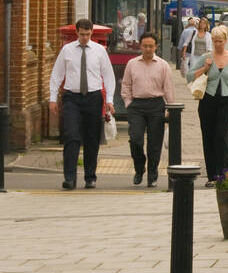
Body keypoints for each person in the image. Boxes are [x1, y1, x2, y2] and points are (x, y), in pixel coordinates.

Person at [49, 18, 115, 189]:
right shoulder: (67, 50)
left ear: (91, 32)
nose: (84, 37)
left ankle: (90, 177)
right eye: (81, 34)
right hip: (72, 97)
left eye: (87, 34)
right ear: (77, 33)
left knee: (92, 138)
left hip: (93, 97)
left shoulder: (100, 51)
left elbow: (108, 76)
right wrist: (52, 98)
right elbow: (57, 75)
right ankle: (70, 178)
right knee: (71, 136)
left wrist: (109, 100)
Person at [187, 24, 228, 186]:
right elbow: (189, 76)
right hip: (207, 101)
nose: (217, 44)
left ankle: (226, 174)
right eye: (215, 41)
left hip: (226, 101)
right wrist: (205, 68)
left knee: (221, 136)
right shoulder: (206, 57)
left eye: (220, 41)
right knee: (208, 137)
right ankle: (212, 176)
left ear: (225, 40)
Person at [121, 31, 175, 186]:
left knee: (154, 143)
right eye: (145, 46)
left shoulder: (163, 65)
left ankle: (152, 175)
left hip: (156, 105)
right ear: (140, 46)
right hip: (136, 106)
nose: (148, 49)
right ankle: (139, 168)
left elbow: (169, 88)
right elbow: (126, 85)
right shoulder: (132, 64)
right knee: (136, 140)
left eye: (151, 46)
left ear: (156, 47)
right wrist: (128, 102)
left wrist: (171, 109)